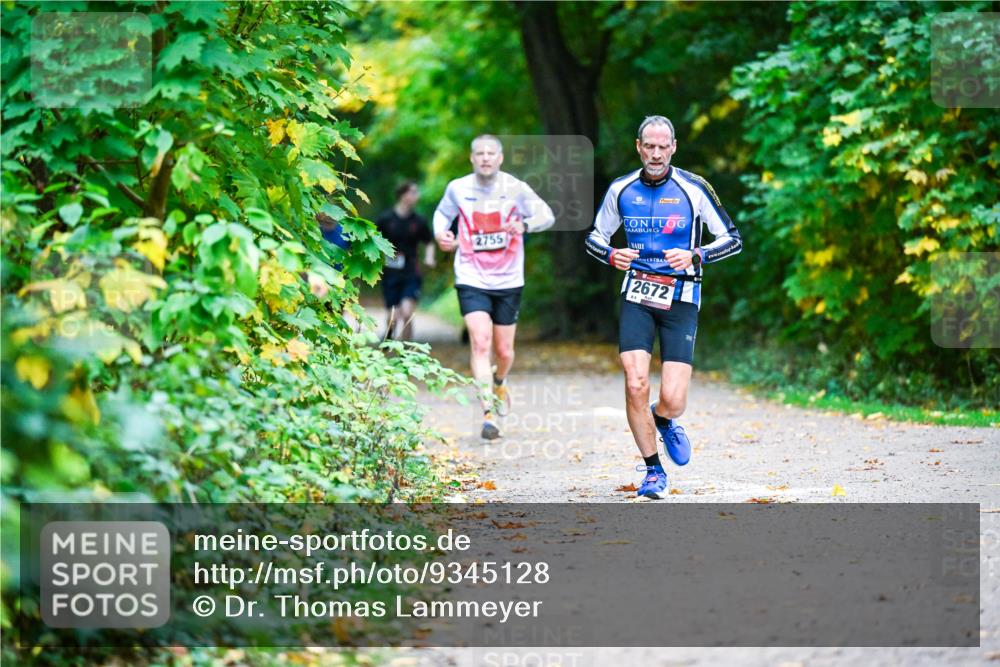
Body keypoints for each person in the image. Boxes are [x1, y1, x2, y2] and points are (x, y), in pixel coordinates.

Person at [585, 115, 743, 499]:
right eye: (649, 146)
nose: (656, 154)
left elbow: (733, 239)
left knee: (674, 398)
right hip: (637, 294)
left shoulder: (694, 188)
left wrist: (696, 255)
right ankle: (653, 471)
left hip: (681, 296)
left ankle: (663, 418)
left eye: (663, 147)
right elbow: (593, 237)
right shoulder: (620, 189)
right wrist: (610, 255)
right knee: (635, 381)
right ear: (638, 147)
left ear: (673, 147)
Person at [434, 134, 555, 440]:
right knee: (480, 342)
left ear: (500, 158)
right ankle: (488, 413)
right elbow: (441, 215)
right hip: (471, 276)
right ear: (471, 158)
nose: (485, 158)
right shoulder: (458, 188)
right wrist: (441, 235)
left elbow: (546, 215)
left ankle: (500, 380)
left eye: (491, 153)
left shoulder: (515, 188)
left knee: (504, 350)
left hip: (509, 279)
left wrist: (525, 225)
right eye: (480, 153)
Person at [374, 181, 436, 340]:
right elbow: (372, 240)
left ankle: (406, 352)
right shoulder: (386, 219)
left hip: (411, 271)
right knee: (393, 315)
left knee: (407, 312)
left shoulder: (419, 221)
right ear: (403, 195)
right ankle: (389, 338)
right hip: (390, 272)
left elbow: (429, 242)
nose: (417, 196)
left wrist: (429, 257)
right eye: (413, 192)